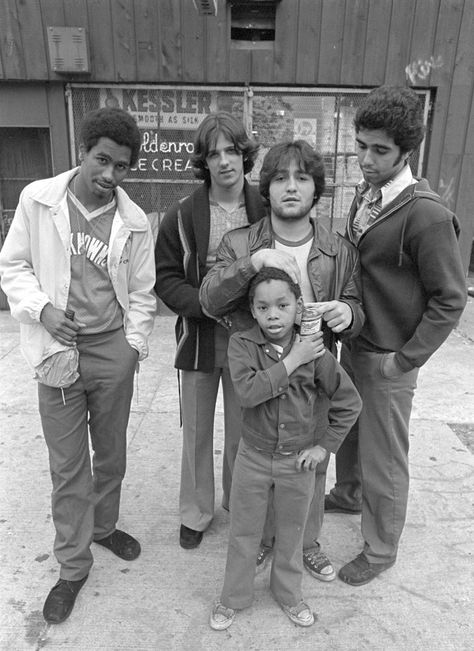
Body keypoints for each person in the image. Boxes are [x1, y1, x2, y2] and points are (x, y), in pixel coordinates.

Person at [0, 107, 157, 624]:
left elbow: (142, 293)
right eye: (102, 160)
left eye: (122, 166)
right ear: (83, 152)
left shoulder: (133, 221)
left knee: (110, 454)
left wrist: (132, 348)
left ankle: (104, 525)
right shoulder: (39, 201)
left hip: (112, 352)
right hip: (59, 353)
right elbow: (14, 264)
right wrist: (40, 310)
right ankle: (71, 567)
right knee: (69, 466)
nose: (110, 175)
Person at [200, 140, 364, 582]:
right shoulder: (240, 242)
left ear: (317, 189)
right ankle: (259, 540)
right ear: (267, 188)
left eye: (302, 177)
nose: (291, 187)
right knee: (251, 458)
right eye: (280, 178)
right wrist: (252, 263)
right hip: (258, 371)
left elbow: (356, 305)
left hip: (313, 371)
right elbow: (210, 300)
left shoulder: (339, 248)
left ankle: (305, 541)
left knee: (309, 464)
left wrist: (348, 314)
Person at [325, 85, 467, 586]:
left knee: (384, 457)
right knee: (349, 433)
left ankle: (381, 548)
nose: (365, 158)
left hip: (388, 356)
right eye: (361, 145)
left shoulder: (425, 214)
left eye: (379, 150)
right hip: (357, 343)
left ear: (407, 152)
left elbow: (450, 298)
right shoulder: (369, 194)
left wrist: (405, 360)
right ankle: (346, 495)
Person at [209, 267, 361, 630]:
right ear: (253, 310)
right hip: (254, 459)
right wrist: (293, 360)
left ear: (298, 308)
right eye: (263, 307)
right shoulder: (243, 345)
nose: (273, 314)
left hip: (299, 463)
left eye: (282, 305)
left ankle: (289, 595)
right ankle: (233, 597)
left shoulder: (318, 354)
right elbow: (246, 393)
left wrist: (325, 447)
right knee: (244, 532)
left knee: (292, 535)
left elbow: (349, 402)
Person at [154, 112, 266, 550]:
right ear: (204, 161)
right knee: (196, 432)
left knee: (245, 431)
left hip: (250, 342)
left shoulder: (266, 209)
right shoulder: (182, 215)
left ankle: (241, 506)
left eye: (232, 151)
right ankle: (196, 513)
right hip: (200, 342)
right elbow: (165, 279)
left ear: (245, 156)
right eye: (214, 153)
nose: (224, 161)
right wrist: (200, 304)